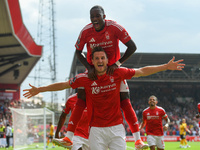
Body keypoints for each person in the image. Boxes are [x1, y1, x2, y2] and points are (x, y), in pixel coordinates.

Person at [23, 46, 185, 150]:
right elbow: (64, 84)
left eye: (103, 58)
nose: (100, 61)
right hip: (95, 131)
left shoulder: (117, 73)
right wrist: (40, 89)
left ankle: (137, 139)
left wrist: (165, 66)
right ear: (91, 62)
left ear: (108, 61)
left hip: (116, 129)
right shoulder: (84, 79)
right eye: (97, 58)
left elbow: (142, 71)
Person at [75, 5, 146, 149]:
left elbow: (132, 46)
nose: (95, 19)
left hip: (112, 73)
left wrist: (118, 63)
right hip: (94, 72)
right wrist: (89, 68)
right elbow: (77, 52)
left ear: (104, 16)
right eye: (92, 17)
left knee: (125, 101)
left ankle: (138, 139)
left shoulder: (114, 27)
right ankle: (69, 136)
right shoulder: (85, 31)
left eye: (98, 16)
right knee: (81, 96)